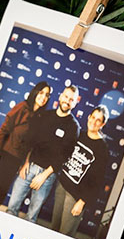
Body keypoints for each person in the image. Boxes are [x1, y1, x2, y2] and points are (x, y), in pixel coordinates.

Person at [6, 85, 81, 223]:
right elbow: (32, 142)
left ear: (76, 102)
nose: (67, 101)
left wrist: (44, 175)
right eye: (65, 96)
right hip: (29, 167)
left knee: (31, 217)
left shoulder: (74, 127)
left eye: (71, 99)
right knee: (11, 208)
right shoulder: (45, 115)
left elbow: (65, 156)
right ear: (60, 96)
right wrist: (26, 163)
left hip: (47, 175)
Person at [0, 82, 51, 209]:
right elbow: (3, 132)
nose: (43, 97)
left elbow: (31, 145)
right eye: (41, 93)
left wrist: (24, 163)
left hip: (14, 163)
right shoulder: (22, 108)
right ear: (35, 93)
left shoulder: (40, 117)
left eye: (47, 95)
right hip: (2, 158)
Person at [50, 105, 110, 237]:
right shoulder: (80, 135)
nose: (93, 122)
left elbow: (97, 180)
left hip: (75, 196)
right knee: (54, 227)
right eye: (93, 117)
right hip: (62, 186)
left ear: (102, 124)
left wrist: (82, 201)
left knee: (65, 234)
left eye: (98, 120)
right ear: (88, 117)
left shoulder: (102, 149)